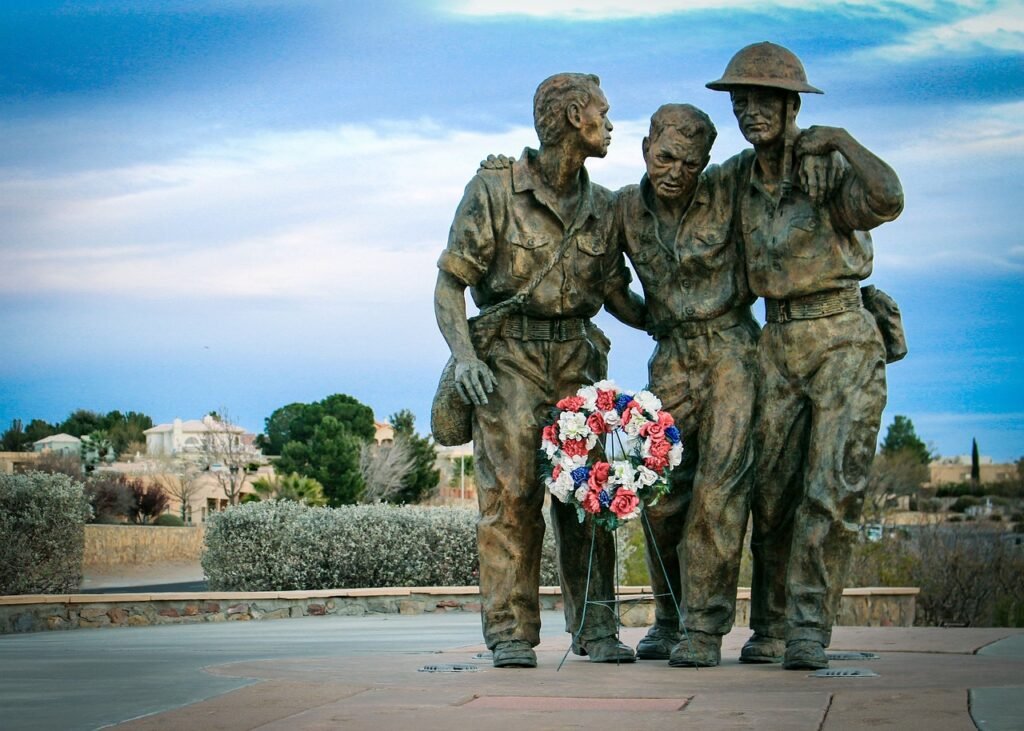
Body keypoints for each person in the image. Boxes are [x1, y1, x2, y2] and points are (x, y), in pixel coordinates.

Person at [434, 72, 644, 668]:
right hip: (509, 363)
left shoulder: (605, 207)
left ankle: (597, 629)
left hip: (579, 360)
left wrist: (682, 319)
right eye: (604, 111)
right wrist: (465, 357)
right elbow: (451, 286)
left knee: (591, 500)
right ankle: (510, 632)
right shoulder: (494, 190)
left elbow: (617, 297)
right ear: (576, 115)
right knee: (511, 500)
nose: (611, 122)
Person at [706, 41, 904, 670]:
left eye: (763, 98)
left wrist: (841, 139)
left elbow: (889, 197)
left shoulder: (824, 164)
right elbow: (670, 194)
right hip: (777, 342)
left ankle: (809, 629)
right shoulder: (737, 177)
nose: (750, 110)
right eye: (741, 99)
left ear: (792, 105)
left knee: (830, 489)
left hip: (842, 336)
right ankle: (767, 625)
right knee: (771, 492)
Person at [615, 104, 760, 668]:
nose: (675, 171)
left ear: (706, 162)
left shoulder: (729, 185)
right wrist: (647, 319)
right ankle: (669, 616)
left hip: (730, 352)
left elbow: (781, 154)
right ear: (645, 146)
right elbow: (607, 281)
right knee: (659, 497)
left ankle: (703, 627)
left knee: (718, 493)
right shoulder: (625, 206)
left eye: (689, 162)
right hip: (670, 355)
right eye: (665, 156)